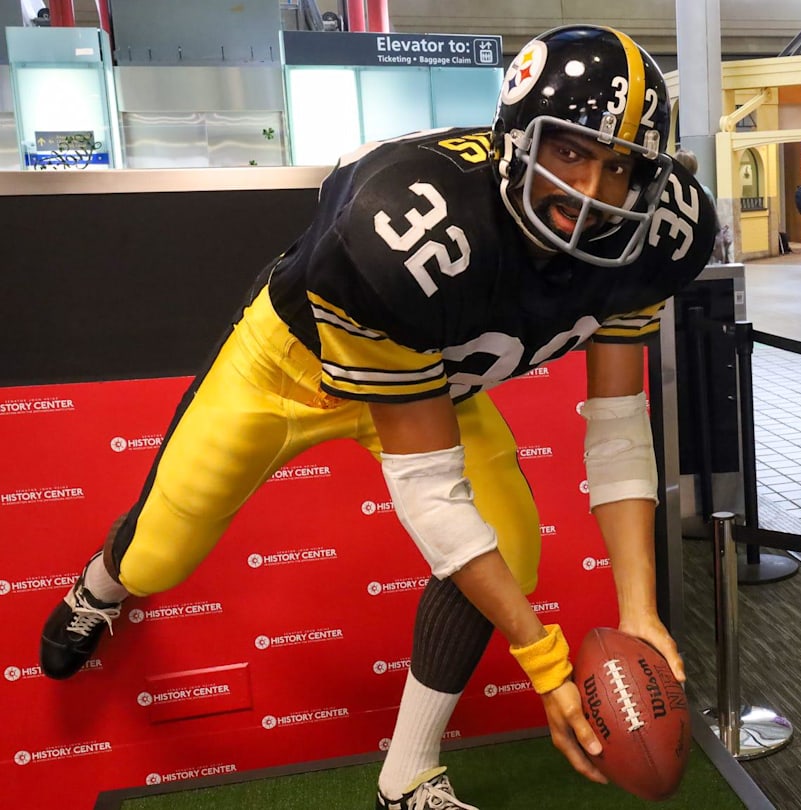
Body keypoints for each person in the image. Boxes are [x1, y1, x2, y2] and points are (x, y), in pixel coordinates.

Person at [36, 25, 714, 810]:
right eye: (570, 152)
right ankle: (101, 586)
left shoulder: (657, 236)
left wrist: (639, 612)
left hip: (434, 380)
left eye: (619, 165)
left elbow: (619, 425)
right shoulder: (410, 228)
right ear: (517, 140)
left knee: (510, 550)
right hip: (292, 370)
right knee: (159, 557)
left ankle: (408, 773)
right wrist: (544, 661)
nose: (592, 189)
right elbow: (429, 492)